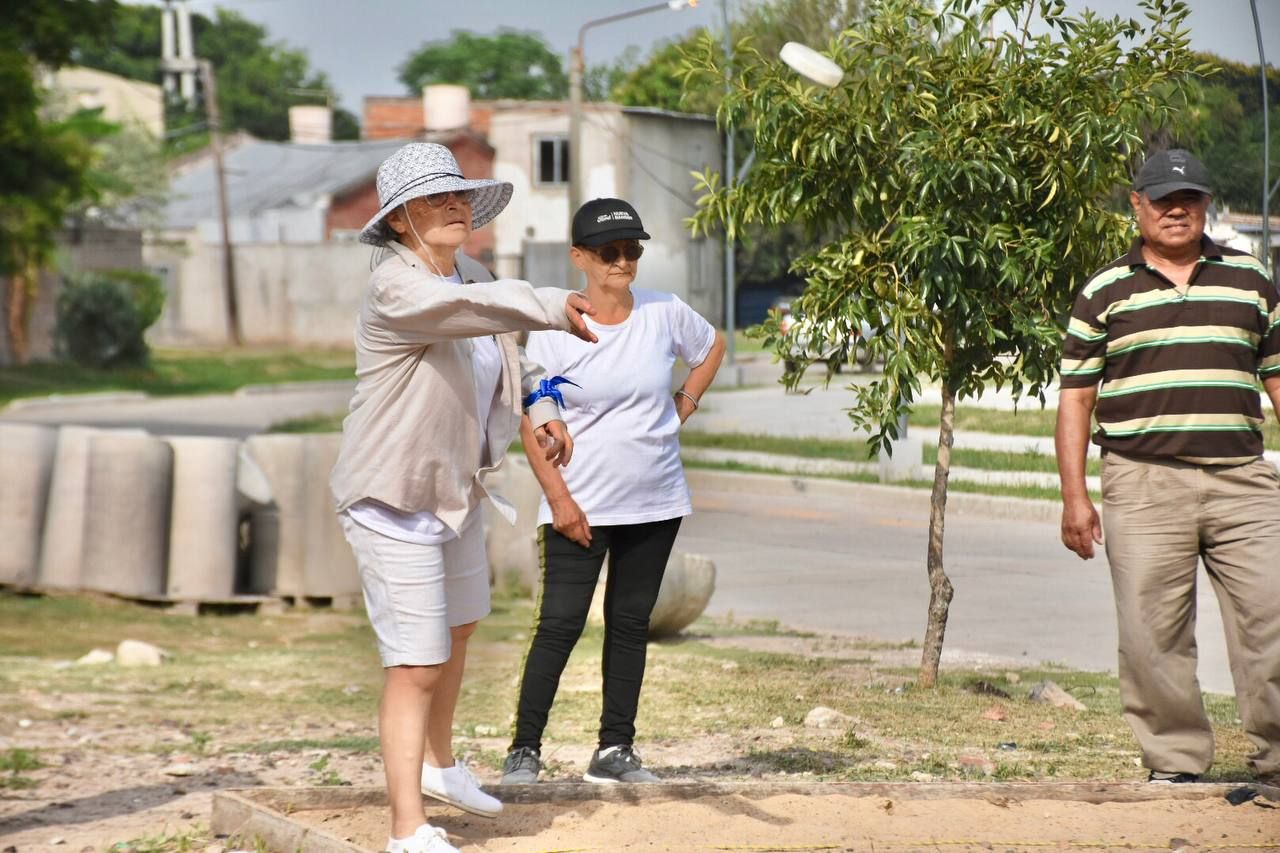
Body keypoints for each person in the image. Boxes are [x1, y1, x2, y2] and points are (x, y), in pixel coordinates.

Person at [329, 142, 598, 853]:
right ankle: (406, 828)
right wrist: (547, 302)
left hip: (454, 491)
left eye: (458, 197)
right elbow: (471, 311)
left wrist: (542, 408)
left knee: (458, 631)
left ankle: (442, 766)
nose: (454, 207)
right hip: (393, 494)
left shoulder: (472, 272)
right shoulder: (400, 285)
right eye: (434, 200)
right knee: (415, 662)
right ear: (397, 221)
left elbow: (511, 347)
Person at [1055, 148, 1280, 786]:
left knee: (1273, 617)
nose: (1176, 209)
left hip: (1244, 481)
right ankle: (1177, 763)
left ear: (1207, 204)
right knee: (1153, 635)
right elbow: (1076, 400)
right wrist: (1075, 498)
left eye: (1189, 198)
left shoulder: (1251, 281)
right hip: (1142, 482)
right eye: (1161, 198)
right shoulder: (1103, 292)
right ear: (1137, 205)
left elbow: (1278, 377)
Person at [500, 198, 726, 785]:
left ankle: (615, 750)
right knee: (560, 623)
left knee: (629, 623)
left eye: (632, 250)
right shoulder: (555, 328)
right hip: (581, 504)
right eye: (609, 252)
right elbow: (531, 419)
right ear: (579, 257)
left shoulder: (664, 311)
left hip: (656, 500)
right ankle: (525, 750)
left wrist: (684, 405)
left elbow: (711, 348)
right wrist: (560, 501)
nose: (622, 261)